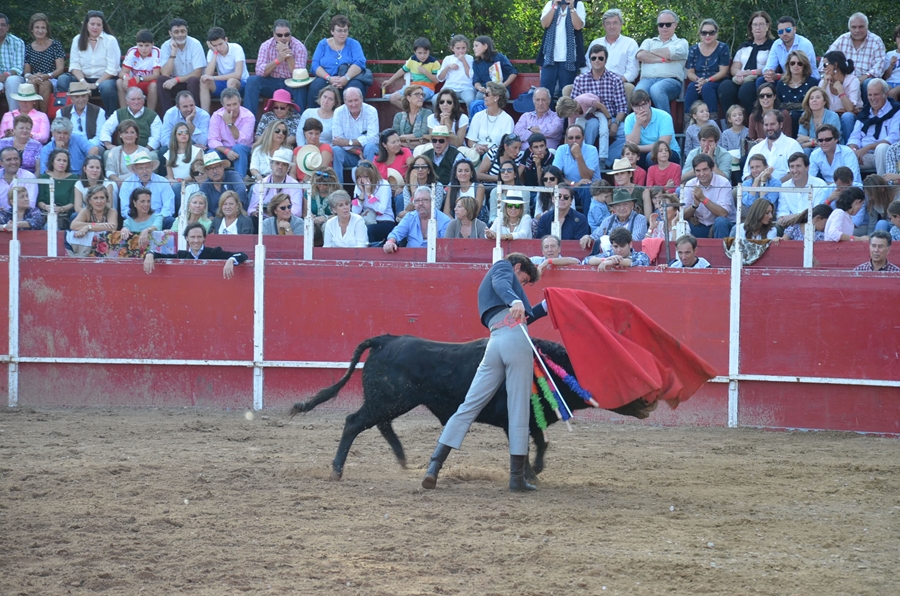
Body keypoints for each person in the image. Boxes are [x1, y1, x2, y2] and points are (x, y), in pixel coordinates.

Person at [421, 252, 545, 492]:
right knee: (519, 408)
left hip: (495, 341)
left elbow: (524, 316)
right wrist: (514, 299)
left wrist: (546, 306)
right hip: (515, 340)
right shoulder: (503, 267)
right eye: (524, 279)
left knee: (469, 405)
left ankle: (433, 467)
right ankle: (516, 479)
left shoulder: (498, 290)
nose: (522, 286)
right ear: (517, 265)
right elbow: (504, 287)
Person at [571, 44, 628, 163]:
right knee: (592, 125)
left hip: (611, 118)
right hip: (588, 118)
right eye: (594, 58)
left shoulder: (615, 79)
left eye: (600, 58)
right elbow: (573, 107)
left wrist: (616, 123)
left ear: (606, 60)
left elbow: (622, 107)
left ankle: (607, 161)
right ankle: (586, 161)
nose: (597, 60)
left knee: (628, 133)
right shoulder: (580, 80)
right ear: (590, 60)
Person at [58, 11, 121, 113]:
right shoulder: (77, 39)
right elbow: (74, 66)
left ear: (103, 26)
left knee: (107, 87)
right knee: (62, 80)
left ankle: (111, 117)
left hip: (104, 80)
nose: (95, 27)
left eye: (98, 25)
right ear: (86, 24)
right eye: (92, 24)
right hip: (83, 79)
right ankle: (67, 114)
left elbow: (112, 69)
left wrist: (96, 84)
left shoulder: (110, 40)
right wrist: (84, 82)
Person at [244, 19, 308, 116]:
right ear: (274, 35)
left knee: (301, 87)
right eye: (279, 35)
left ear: (290, 34)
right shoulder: (266, 46)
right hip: (271, 82)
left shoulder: (299, 47)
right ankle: (249, 120)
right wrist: (278, 60)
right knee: (252, 81)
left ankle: (299, 124)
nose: (283, 38)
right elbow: (260, 71)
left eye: (286, 35)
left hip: (291, 83)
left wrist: (288, 55)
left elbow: (299, 75)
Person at [718, 11, 775, 117]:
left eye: (761, 24)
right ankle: (729, 123)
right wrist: (739, 74)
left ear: (767, 26)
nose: (758, 27)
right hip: (740, 77)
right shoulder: (744, 46)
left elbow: (770, 67)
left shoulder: (773, 46)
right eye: (755, 25)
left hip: (758, 79)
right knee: (725, 87)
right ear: (751, 28)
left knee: (746, 90)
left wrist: (748, 72)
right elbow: (734, 67)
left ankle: (756, 119)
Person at [144, 222, 248, 279]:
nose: (196, 240)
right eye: (192, 237)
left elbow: (242, 254)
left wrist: (231, 260)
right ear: (187, 238)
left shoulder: (214, 252)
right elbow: (161, 256)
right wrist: (150, 254)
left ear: (204, 238)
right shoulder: (182, 255)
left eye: (199, 237)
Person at [634, 10, 688, 113]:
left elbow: (670, 53)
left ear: (675, 25)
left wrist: (650, 53)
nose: (664, 27)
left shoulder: (681, 42)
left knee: (657, 90)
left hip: (671, 82)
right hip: (647, 80)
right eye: (661, 24)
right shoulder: (648, 41)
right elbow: (640, 55)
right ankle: (642, 125)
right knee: (638, 93)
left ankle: (665, 126)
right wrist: (662, 59)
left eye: (668, 24)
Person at [822, 13, 886, 101]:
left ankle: (866, 112)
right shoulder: (842, 39)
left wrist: (865, 77)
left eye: (861, 27)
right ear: (849, 28)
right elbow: (827, 59)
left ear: (867, 26)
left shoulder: (876, 41)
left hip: (865, 80)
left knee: (869, 83)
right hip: (844, 80)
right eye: (854, 27)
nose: (857, 30)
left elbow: (879, 66)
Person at [308, 15, 367, 105]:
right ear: (332, 31)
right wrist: (329, 78)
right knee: (316, 85)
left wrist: (346, 78)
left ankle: (356, 116)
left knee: (356, 87)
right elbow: (315, 65)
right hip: (327, 78)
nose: (342, 34)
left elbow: (360, 62)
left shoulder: (354, 44)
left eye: (345, 31)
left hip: (349, 78)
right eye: (339, 30)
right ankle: (315, 116)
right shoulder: (323, 44)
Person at [583, 9, 639, 101]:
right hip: (594, 82)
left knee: (629, 88)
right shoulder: (595, 43)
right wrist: (592, 80)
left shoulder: (630, 43)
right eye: (608, 23)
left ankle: (621, 115)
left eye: (615, 23)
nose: (611, 26)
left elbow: (632, 71)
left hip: (619, 83)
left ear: (621, 24)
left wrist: (615, 81)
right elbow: (586, 65)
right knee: (568, 89)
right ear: (603, 26)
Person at [684, 19, 731, 126]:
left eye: (711, 32)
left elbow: (723, 71)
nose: (707, 35)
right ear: (700, 34)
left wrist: (707, 81)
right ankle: (688, 123)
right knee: (692, 87)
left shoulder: (722, 48)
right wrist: (699, 80)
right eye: (704, 32)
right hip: (699, 80)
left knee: (707, 87)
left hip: (717, 81)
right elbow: (690, 72)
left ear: (716, 33)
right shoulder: (693, 49)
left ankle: (713, 123)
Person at [848, 79, 900, 175]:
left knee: (882, 148)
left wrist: (868, 147)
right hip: (864, 156)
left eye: (876, 94)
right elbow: (854, 136)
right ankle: (855, 188)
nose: (872, 98)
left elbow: (894, 137)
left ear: (886, 94)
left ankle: (884, 187)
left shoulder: (896, 111)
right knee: (845, 154)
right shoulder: (864, 112)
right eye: (870, 95)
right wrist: (854, 150)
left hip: (887, 156)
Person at [537, 0, 586, 99]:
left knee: (565, 94)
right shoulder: (550, 4)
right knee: (545, 92)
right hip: (550, 58)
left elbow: (578, 26)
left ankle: (564, 115)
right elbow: (545, 24)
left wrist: (571, 8)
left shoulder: (578, 4)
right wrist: (555, 5)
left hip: (569, 59)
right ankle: (547, 114)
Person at [157, 19, 205, 114]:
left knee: (193, 80)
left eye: (183, 31)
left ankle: (194, 115)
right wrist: (173, 53)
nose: (180, 35)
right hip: (173, 85)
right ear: (170, 33)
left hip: (190, 84)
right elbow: (165, 73)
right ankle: (168, 116)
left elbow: (198, 73)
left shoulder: (195, 44)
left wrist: (176, 79)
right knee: (161, 80)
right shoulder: (166, 46)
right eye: (176, 32)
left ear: (187, 30)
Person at [331, 87, 379, 183]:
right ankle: (338, 189)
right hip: (350, 153)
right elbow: (337, 140)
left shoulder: (371, 111)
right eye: (350, 101)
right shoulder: (338, 112)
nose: (353, 104)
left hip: (367, 153)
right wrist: (356, 151)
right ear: (344, 101)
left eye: (356, 100)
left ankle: (370, 185)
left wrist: (348, 142)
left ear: (361, 98)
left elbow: (374, 139)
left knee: (370, 147)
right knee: (335, 150)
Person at [624, 89, 681, 169]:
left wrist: (638, 148)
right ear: (632, 107)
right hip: (642, 152)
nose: (641, 109)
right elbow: (631, 145)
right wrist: (637, 124)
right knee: (630, 158)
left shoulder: (664, 117)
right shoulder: (629, 119)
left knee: (651, 157)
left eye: (644, 105)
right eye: (637, 106)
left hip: (667, 151)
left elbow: (663, 144)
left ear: (649, 103)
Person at [743, 110, 803, 181]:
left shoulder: (792, 145)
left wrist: (775, 186)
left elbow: (796, 172)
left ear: (781, 124)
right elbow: (747, 173)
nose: (769, 128)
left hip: (784, 189)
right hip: (758, 189)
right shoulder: (756, 148)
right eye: (766, 125)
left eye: (772, 124)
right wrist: (756, 186)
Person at [684, 153, 734, 238]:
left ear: (712, 168)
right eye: (698, 171)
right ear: (694, 171)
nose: (702, 174)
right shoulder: (690, 184)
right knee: (682, 224)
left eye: (705, 169)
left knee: (720, 221)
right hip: (700, 225)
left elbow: (723, 213)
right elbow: (683, 215)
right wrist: (694, 205)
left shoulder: (723, 183)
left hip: (720, 226)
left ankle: (720, 251)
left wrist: (703, 199)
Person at [384, 186, 450, 251]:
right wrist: (390, 242)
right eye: (417, 201)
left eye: (425, 200)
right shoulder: (409, 217)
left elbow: (445, 246)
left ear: (432, 202)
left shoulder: (445, 221)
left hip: (435, 258)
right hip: (411, 258)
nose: (420, 203)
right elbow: (397, 232)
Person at [208, 87, 255, 177]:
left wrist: (229, 123)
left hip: (242, 151)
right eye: (228, 105)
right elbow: (212, 140)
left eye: (235, 104)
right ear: (222, 104)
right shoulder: (216, 116)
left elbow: (243, 141)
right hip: (224, 151)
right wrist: (226, 151)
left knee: (238, 148)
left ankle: (240, 183)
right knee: (211, 153)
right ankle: (214, 185)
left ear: (240, 102)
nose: (232, 108)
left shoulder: (249, 116)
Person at [199, 27, 248, 113]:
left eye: (220, 44)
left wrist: (214, 78)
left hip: (240, 83)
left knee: (231, 82)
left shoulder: (236, 48)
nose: (218, 48)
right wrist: (215, 53)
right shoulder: (212, 52)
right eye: (214, 45)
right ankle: (205, 117)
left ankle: (233, 114)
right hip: (222, 83)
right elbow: (207, 75)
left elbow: (238, 74)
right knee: (204, 82)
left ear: (226, 39)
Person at [117, 150, 175, 223]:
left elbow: (168, 207)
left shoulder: (163, 182)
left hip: (158, 219)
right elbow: (125, 209)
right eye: (140, 168)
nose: (145, 171)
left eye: (147, 167)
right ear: (135, 169)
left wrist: (157, 221)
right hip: (136, 220)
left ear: (152, 167)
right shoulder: (127, 183)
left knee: (170, 221)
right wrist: (138, 219)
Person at [553, 124, 601, 211]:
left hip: (591, 190)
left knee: (586, 187)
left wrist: (578, 155)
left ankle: (588, 223)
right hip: (571, 188)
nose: (574, 141)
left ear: (583, 138)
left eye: (577, 137)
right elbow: (555, 176)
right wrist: (574, 184)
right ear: (566, 139)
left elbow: (587, 177)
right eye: (571, 138)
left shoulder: (592, 150)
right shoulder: (561, 149)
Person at [22, 13, 65, 109]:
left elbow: (60, 68)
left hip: (51, 78)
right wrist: (32, 77)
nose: (40, 30)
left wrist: (47, 76)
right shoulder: (28, 48)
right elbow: (27, 72)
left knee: (44, 85)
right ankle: (33, 118)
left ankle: (43, 118)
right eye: (37, 27)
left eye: (43, 28)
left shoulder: (55, 45)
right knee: (31, 84)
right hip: (35, 78)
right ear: (32, 30)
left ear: (47, 30)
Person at [384, 37, 441, 109]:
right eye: (419, 53)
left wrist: (425, 72)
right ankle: (411, 114)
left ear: (429, 51)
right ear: (415, 52)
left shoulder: (434, 62)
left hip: (427, 89)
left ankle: (415, 115)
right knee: (393, 98)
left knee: (414, 99)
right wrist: (389, 81)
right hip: (412, 87)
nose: (422, 55)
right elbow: (402, 70)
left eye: (425, 53)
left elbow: (436, 80)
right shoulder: (412, 59)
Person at [581, 187, 648, 248]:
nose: (622, 208)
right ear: (613, 208)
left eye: (625, 204)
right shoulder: (608, 221)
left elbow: (636, 240)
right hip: (609, 257)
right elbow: (595, 236)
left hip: (631, 256)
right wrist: (588, 237)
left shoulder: (640, 219)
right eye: (618, 205)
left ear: (632, 206)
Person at [100, 87, 162, 152]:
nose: (136, 102)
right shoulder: (118, 113)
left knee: (153, 156)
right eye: (133, 99)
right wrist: (109, 145)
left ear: (143, 100)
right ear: (127, 101)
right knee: (107, 154)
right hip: (122, 150)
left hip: (145, 150)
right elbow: (106, 129)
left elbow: (156, 138)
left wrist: (145, 150)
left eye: (139, 99)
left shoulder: (153, 115)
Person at [820, 51, 863, 143]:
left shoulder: (852, 80)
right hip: (830, 118)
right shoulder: (823, 82)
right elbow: (817, 106)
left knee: (847, 116)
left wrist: (841, 91)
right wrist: (824, 85)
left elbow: (850, 108)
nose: (823, 68)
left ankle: (849, 147)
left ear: (835, 65)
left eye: (825, 65)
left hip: (849, 119)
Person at [248, 147, 301, 220]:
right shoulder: (260, 184)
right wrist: (257, 212)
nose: (280, 167)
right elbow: (251, 209)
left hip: (287, 220)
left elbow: (297, 212)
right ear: (271, 165)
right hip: (263, 219)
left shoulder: (295, 185)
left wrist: (276, 212)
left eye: (284, 164)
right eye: (277, 163)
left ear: (288, 168)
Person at [763, 17, 818, 85]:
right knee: (762, 81)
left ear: (794, 29)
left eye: (788, 30)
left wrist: (778, 76)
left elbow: (801, 71)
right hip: (786, 79)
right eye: (781, 31)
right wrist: (768, 73)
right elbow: (769, 65)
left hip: (807, 79)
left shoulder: (805, 44)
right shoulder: (776, 44)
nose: (784, 33)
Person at [117, 29, 160, 114]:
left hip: (149, 82)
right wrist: (126, 77)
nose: (143, 49)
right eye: (140, 45)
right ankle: (124, 114)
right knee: (119, 82)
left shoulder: (157, 52)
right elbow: (122, 73)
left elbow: (156, 75)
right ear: (136, 44)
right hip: (134, 82)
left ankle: (150, 115)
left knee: (154, 85)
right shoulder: (132, 51)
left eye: (147, 45)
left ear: (152, 44)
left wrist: (140, 78)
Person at [775, 152, 829, 220]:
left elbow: (817, 212)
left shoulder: (820, 185)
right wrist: (782, 219)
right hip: (790, 224)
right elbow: (782, 211)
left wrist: (796, 217)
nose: (795, 170)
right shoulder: (784, 186)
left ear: (807, 167)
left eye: (798, 166)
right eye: (792, 167)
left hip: (813, 224)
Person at [467, 82, 514, 157]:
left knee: (487, 156)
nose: (483, 96)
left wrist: (489, 150)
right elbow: (470, 141)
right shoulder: (478, 116)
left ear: (496, 97)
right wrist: (477, 146)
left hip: (496, 155)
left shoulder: (507, 119)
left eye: (487, 94)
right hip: (476, 153)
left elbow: (506, 145)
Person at [353, 160, 394, 242]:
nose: (362, 180)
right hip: (367, 220)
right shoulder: (358, 187)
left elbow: (381, 209)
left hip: (384, 221)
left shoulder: (384, 185)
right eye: (359, 177)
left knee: (368, 230)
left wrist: (369, 194)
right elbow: (354, 211)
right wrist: (361, 194)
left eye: (366, 177)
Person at [36, 148, 78, 229]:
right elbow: (40, 200)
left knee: (52, 226)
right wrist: (46, 207)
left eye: (65, 161)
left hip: (65, 216)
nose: (62, 163)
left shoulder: (73, 178)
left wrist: (61, 209)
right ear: (52, 162)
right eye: (59, 160)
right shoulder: (44, 177)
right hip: (46, 214)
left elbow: (73, 202)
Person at [59, 81, 106, 148]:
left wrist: (85, 146)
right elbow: (57, 134)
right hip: (69, 146)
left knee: (99, 149)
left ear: (88, 97)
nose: (81, 99)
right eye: (77, 97)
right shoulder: (61, 112)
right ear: (71, 99)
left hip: (90, 146)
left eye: (83, 96)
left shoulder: (99, 111)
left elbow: (100, 136)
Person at [199, 150, 247, 215]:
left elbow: (241, 190)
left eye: (217, 167)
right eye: (210, 168)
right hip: (215, 219)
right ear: (206, 171)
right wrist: (211, 218)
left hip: (237, 214)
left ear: (222, 167)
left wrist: (236, 209)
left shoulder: (233, 175)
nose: (215, 171)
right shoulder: (205, 185)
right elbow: (202, 204)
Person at [472, 36, 518, 102]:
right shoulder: (476, 63)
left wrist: (503, 86)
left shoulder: (499, 57)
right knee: (479, 97)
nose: (474, 48)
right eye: (474, 46)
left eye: (476, 46)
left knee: (498, 96)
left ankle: (496, 112)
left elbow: (513, 73)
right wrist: (480, 88)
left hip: (500, 89)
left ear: (485, 46)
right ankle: (482, 112)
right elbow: (476, 81)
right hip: (485, 90)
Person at [797, 87, 841, 152]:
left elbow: (830, 141)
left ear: (824, 101)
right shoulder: (805, 116)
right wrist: (814, 142)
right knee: (806, 150)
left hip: (831, 149)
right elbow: (800, 142)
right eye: (811, 98)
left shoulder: (833, 116)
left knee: (817, 150)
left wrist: (809, 140)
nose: (814, 100)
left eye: (818, 97)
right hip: (810, 148)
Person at [585, 226, 650, 269]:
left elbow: (642, 262)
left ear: (630, 244)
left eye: (622, 246)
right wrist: (604, 260)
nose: (618, 250)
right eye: (615, 246)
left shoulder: (641, 255)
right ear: (611, 246)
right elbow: (586, 260)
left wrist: (614, 262)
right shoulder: (609, 254)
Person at [437, 35, 476, 105]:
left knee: (470, 100)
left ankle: (471, 116)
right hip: (450, 88)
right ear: (452, 49)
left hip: (466, 88)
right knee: (435, 99)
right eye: (458, 48)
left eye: (463, 48)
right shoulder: (448, 59)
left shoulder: (470, 58)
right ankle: (440, 116)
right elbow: (440, 78)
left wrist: (464, 61)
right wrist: (448, 67)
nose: (461, 51)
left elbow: (470, 75)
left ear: (467, 48)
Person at [487, 158, 529, 223]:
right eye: (502, 171)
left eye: (509, 170)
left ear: (515, 174)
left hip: (520, 223)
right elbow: (493, 216)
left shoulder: (524, 190)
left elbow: (523, 212)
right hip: (499, 224)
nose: (505, 173)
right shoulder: (495, 191)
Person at [0, 13, 25, 111]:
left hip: (12, 76)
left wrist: (6, 75)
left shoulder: (17, 42)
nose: (0, 27)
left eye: (2, 25)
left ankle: (14, 117)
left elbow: (18, 67)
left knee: (12, 81)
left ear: (7, 27)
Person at [104, 119, 143, 184]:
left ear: (136, 135)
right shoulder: (114, 151)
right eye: (126, 132)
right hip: (118, 183)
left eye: (132, 132)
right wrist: (118, 181)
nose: (129, 135)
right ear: (120, 134)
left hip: (138, 183)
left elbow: (145, 172)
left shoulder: (143, 151)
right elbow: (109, 172)